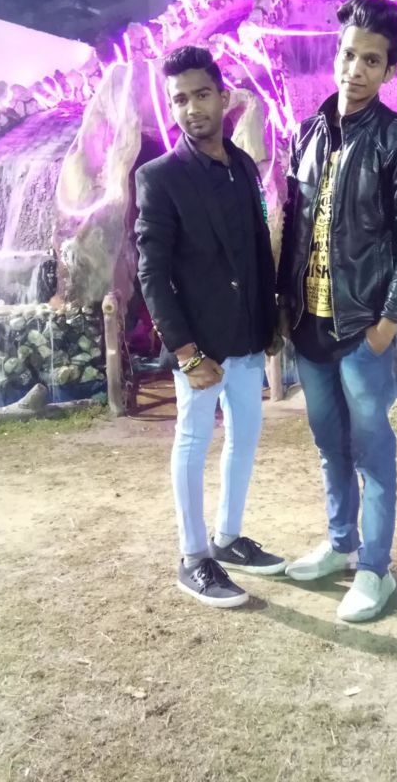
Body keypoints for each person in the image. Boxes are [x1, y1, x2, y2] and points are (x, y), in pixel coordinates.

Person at [278, 0, 397, 622]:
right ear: (336, 54)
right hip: (310, 323)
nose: (356, 69)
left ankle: (376, 568)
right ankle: (341, 543)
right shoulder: (308, 133)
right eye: (349, 55)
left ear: (389, 69)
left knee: (372, 451)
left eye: (372, 60)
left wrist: (388, 322)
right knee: (330, 445)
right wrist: (282, 309)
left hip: (362, 326)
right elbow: (294, 227)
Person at [135, 45, 285, 609]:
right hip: (199, 347)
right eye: (179, 99)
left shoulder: (242, 165)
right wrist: (185, 352)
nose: (192, 108)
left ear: (224, 97)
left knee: (245, 437)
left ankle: (228, 537)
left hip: (247, 336)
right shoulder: (160, 177)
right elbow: (152, 273)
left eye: (201, 95)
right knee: (194, 441)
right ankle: (193, 558)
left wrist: (271, 320)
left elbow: (257, 248)